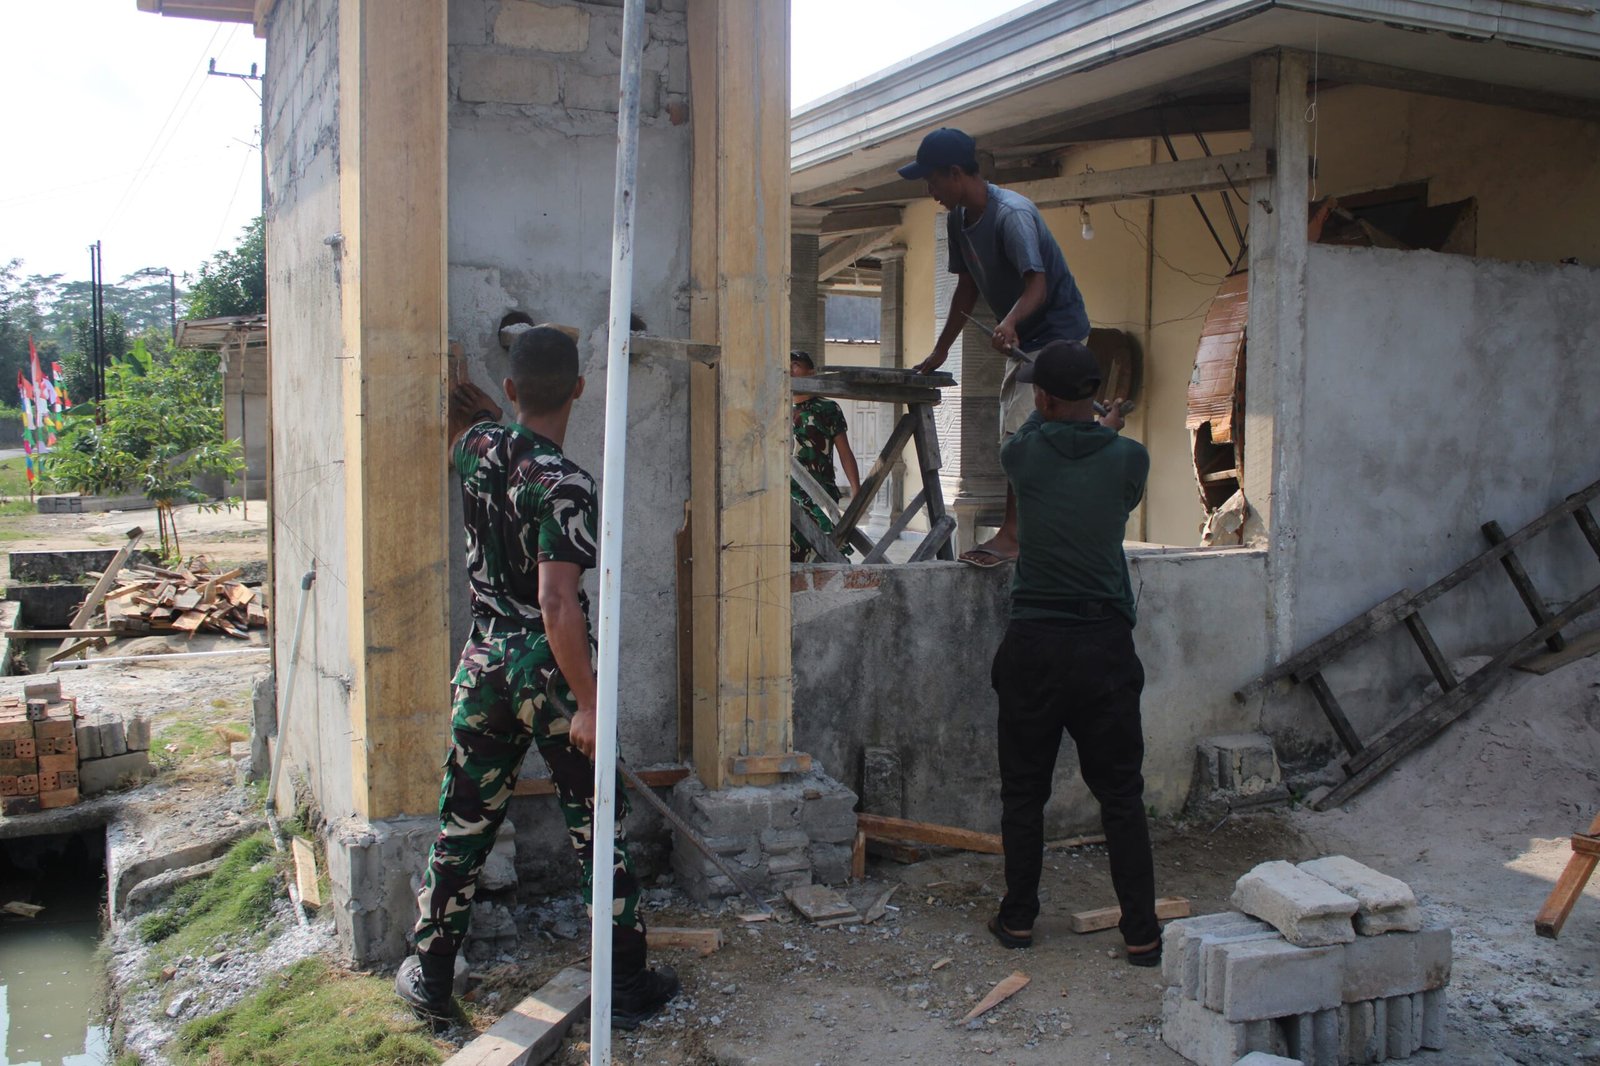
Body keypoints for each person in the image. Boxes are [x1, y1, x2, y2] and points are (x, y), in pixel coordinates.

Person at [395, 325, 680, 1026]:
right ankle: (625, 982)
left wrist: (482, 405)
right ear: (580, 388)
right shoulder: (567, 485)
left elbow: (473, 427)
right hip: (549, 672)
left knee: (463, 824)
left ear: (511, 388)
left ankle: (431, 976)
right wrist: (589, 704)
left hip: (484, 665)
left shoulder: (476, 448)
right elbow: (556, 603)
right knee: (597, 825)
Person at [986, 339, 1160, 967]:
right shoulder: (1130, 457)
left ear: (1043, 397)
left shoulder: (1023, 455)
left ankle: (1018, 920)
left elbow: (1034, 440)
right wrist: (1103, 427)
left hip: (1035, 645)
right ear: (1094, 395)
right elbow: (1114, 486)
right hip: (1104, 647)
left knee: (1023, 792)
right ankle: (1142, 934)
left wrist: (1071, 419)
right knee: (1121, 796)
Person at [900, 127, 1091, 568]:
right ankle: (1033, 529)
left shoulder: (1012, 215)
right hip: (1028, 334)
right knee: (1023, 433)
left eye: (932, 180)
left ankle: (1014, 536)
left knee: (1020, 435)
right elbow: (966, 289)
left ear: (955, 173)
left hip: (1058, 333)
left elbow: (1038, 285)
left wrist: (1009, 322)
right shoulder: (958, 219)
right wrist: (941, 350)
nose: (930, 192)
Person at [789, 350, 862, 562]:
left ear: (811, 373)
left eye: (795, 365)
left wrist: (856, 489)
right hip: (789, 492)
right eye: (786, 366)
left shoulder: (827, 408)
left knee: (828, 547)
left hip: (820, 491)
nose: (789, 370)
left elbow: (844, 452)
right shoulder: (778, 408)